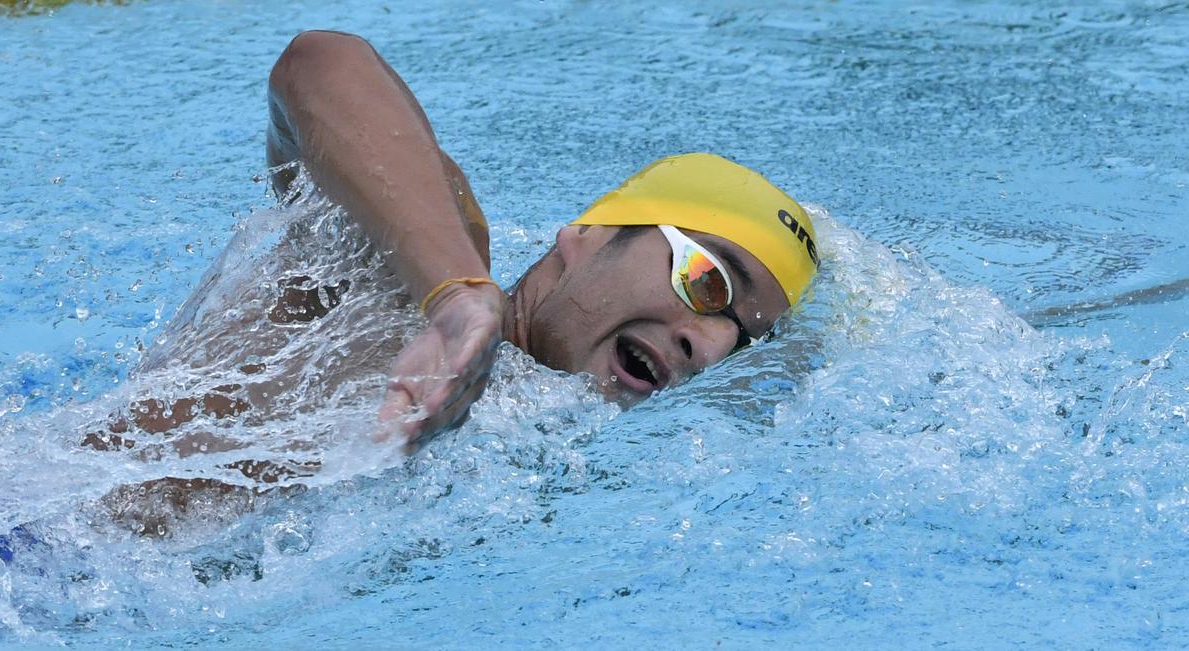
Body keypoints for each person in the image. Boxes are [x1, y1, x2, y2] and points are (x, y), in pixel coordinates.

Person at [89, 29, 821, 465]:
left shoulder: (544, 461)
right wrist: (453, 293)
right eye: (708, 280)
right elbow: (318, 64)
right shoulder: (409, 270)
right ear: (588, 236)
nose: (709, 349)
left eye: (743, 339)